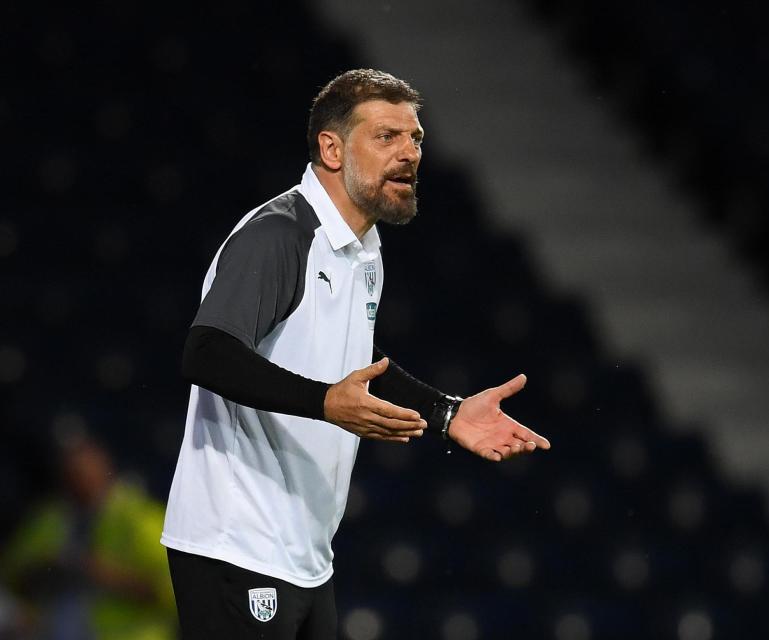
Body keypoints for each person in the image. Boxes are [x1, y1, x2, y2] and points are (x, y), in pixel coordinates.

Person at [161, 69, 551, 640]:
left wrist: (446, 412)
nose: (409, 154)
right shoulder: (280, 234)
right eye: (386, 136)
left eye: (415, 138)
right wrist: (324, 402)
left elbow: (348, 354)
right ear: (332, 148)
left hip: (307, 557)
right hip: (236, 547)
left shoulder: (364, 246)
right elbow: (206, 352)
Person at [0, 434, 176, 640]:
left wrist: (103, 575)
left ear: (104, 468)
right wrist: (46, 570)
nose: (77, 481)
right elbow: (11, 575)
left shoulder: (141, 519)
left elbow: (177, 593)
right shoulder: (49, 518)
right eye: (69, 474)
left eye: (82, 473)